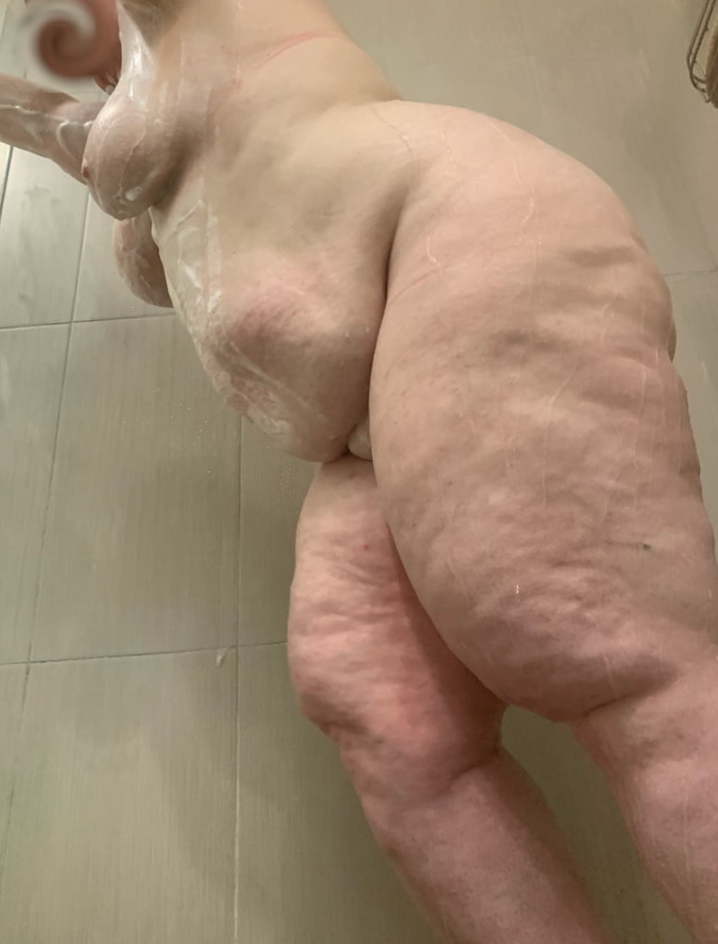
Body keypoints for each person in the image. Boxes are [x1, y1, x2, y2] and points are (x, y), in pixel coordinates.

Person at [2, 1, 718, 941]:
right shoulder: (150, 94)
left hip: (456, 239)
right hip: (364, 416)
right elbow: (73, 136)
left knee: (610, 661)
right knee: (382, 713)